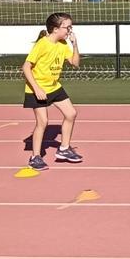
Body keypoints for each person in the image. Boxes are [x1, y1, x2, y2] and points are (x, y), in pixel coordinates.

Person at [22, 12, 82, 170]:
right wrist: (36, 89)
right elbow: (26, 67)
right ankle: (35, 157)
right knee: (43, 122)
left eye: (71, 27)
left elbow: (75, 63)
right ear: (55, 29)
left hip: (54, 86)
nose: (70, 30)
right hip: (38, 88)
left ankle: (64, 149)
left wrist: (75, 44)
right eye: (67, 27)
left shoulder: (63, 44)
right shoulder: (43, 44)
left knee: (71, 114)